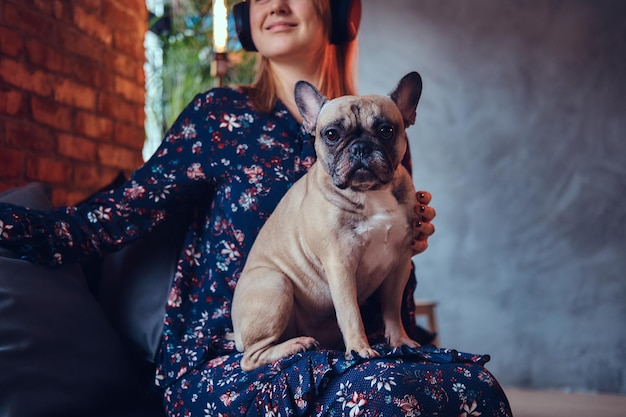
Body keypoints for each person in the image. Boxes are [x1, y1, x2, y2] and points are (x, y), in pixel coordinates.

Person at [0, 0, 512, 415]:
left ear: (335, 11)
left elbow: (387, 283)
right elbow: (109, 220)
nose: (276, 3)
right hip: (231, 352)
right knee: (382, 403)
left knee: (477, 391)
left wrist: (405, 239)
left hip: (355, 343)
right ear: (245, 20)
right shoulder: (219, 116)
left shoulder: (380, 126)